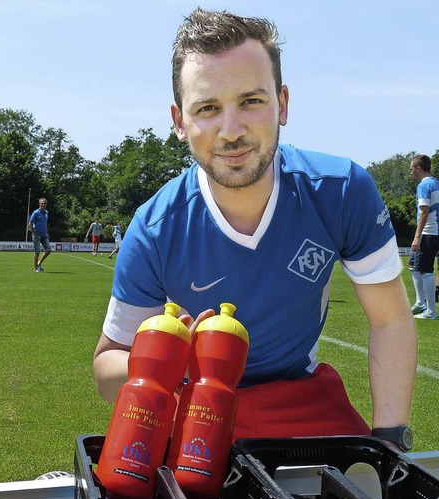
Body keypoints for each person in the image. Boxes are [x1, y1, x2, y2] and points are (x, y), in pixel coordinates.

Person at [93, 8, 417, 451]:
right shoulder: (153, 228)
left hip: (302, 397)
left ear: (281, 104)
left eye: (251, 101)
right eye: (207, 108)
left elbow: (391, 318)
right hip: (195, 406)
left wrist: (390, 439)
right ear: (179, 122)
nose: (231, 131)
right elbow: (107, 363)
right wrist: (168, 360)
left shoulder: (342, 191)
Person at [408, 154, 439, 320]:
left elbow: (424, 212)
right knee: (413, 265)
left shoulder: (424, 185)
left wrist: (416, 237)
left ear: (418, 168)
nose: (411, 172)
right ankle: (420, 303)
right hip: (435, 232)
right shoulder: (436, 183)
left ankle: (431, 312)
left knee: (425, 270)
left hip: (428, 233)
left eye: (412, 169)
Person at [28, 198, 51, 272]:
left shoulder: (47, 212)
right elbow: (30, 224)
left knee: (49, 250)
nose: (43, 204)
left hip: (44, 235)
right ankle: (35, 269)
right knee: (37, 252)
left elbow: (45, 224)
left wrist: (47, 233)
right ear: (39, 204)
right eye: (42, 203)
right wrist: (34, 234)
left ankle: (39, 263)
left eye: (45, 203)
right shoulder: (35, 213)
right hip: (36, 235)